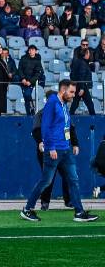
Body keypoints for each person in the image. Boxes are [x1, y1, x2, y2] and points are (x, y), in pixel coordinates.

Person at [21, 79, 98, 222]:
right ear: (63, 90)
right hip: (54, 150)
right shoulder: (52, 103)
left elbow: (67, 127)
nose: (74, 95)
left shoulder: (63, 105)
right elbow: (45, 127)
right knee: (46, 181)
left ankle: (79, 212)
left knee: (73, 180)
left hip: (65, 150)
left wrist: (73, 143)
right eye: (71, 92)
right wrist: (50, 147)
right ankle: (27, 209)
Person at [32, 91, 78, 210]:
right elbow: (36, 130)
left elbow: (70, 129)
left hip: (63, 149)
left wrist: (75, 144)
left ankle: (69, 201)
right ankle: (44, 202)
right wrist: (40, 142)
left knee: (68, 175)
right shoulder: (41, 114)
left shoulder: (63, 112)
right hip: (47, 149)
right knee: (48, 178)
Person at [69, 48, 96, 115]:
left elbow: (72, 74)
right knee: (89, 103)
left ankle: (69, 115)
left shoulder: (78, 61)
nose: (90, 55)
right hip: (82, 86)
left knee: (75, 102)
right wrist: (82, 88)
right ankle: (94, 118)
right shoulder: (83, 63)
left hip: (78, 85)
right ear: (86, 54)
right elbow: (81, 76)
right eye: (89, 53)